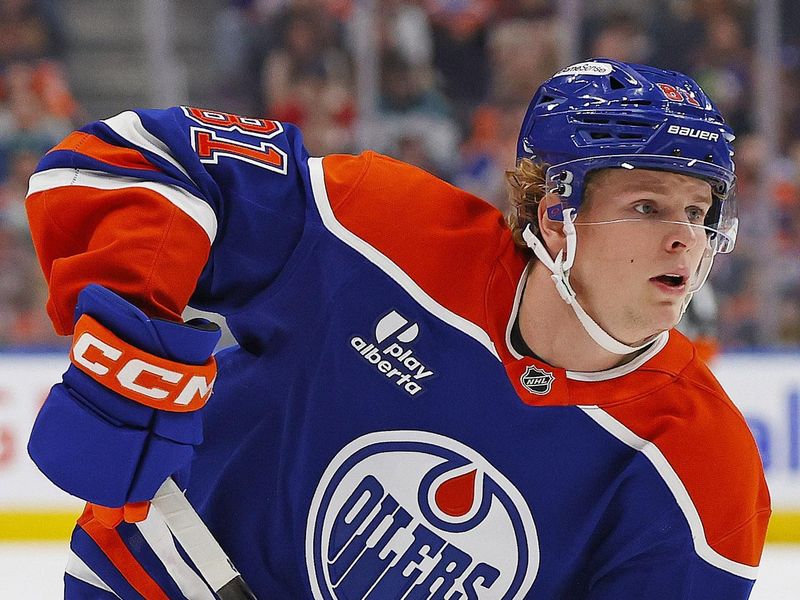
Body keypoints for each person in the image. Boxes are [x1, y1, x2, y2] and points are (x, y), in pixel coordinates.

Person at [25, 59, 770, 598]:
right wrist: (135, 344)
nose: (687, 239)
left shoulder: (706, 470)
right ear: (555, 210)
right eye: (648, 206)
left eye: (701, 213)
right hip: (166, 573)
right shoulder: (385, 230)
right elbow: (132, 157)